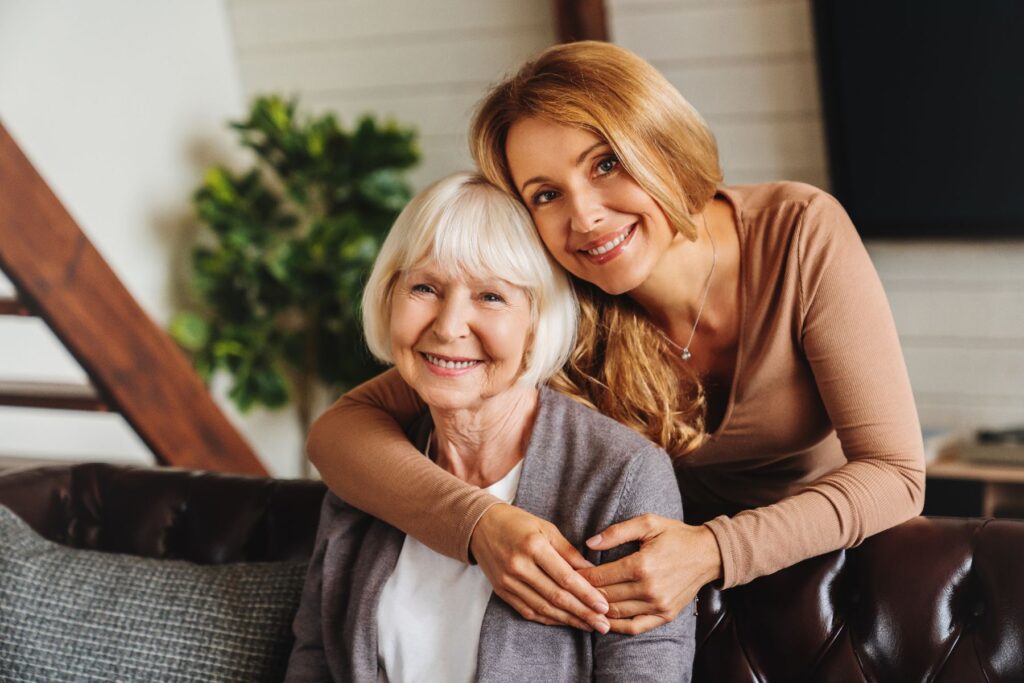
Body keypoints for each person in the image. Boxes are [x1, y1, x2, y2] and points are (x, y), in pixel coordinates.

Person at [305, 41, 926, 636]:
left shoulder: (798, 233)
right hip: (641, 604)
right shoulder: (561, 297)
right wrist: (477, 525)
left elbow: (897, 475)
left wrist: (712, 550)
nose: (585, 216)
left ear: (661, 143)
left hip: (823, 576)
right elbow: (339, 432)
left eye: (606, 163)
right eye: (545, 195)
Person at [285, 172, 694, 682]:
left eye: (491, 297)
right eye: (425, 287)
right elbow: (316, 656)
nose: (449, 325)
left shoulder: (621, 474)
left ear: (536, 322)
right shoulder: (372, 467)